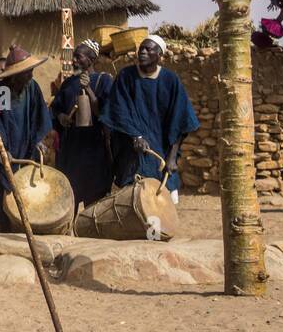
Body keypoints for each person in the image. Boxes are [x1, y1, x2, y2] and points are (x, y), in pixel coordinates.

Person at [98, 35, 199, 202]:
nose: (142, 52)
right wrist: (135, 136)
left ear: (159, 55)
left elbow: (180, 120)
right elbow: (118, 110)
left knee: (163, 204)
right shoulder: (126, 77)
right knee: (132, 202)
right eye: (141, 49)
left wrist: (172, 157)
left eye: (148, 49)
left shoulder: (170, 80)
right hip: (130, 154)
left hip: (160, 153)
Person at [0, 46, 52, 231]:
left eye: (31, 72)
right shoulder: (1, 91)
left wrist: (39, 140)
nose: (30, 76)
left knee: (21, 207)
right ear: (15, 74)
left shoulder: (32, 89)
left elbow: (39, 117)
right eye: (27, 73)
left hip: (23, 154)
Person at [49, 40, 113, 208]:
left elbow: (105, 113)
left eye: (79, 57)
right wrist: (62, 117)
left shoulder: (104, 80)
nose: (74, 61)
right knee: (70, 196)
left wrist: (89, 89)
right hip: (70, 150)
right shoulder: (68, 83)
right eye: (74, 58)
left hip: (94, 149)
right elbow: (55, 110)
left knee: (94, 198)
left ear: (91, 59)